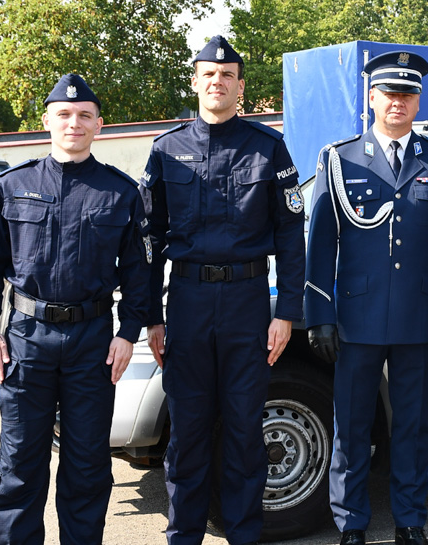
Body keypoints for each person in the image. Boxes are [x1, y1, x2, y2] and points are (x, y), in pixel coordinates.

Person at [139, 35, 305, 545]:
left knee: (242, 430)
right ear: (195, 81)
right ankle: (183, 535)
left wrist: (288, 312)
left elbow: (290, 232)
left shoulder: (268, 147)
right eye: (209, 75)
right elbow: (148, 237)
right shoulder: (166, 150)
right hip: (186, 304)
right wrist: (151, 316)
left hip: (247, 303)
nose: (218, 82)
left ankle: (244, 535)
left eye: (227, 75)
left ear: (239, 86)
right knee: (187, 433)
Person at [0, 74, 150, 545]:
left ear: (99, 125)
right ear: (47, 122)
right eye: (63, 115)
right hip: (25, 340)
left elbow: (139, 271)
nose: (73, 123)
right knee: (20, 465)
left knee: (87, 465)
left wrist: (128, 331)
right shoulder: (15, 185)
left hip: (92, 341)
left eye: (84, 116)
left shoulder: (119, 192)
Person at [305, 51, 428, 545]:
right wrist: (320, 316)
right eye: (389, 94)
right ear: (371, 97)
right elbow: (319, 243)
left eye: (408, 94)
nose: (398, 102)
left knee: (413, 429)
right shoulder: (340, 159)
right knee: (352, 428)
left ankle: (410, 520)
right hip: (357, 318)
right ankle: (351, 523)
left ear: (418, 101)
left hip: (419, 317)